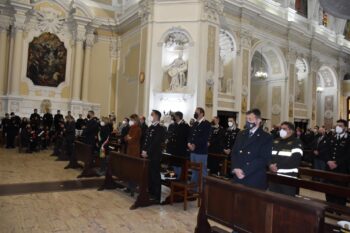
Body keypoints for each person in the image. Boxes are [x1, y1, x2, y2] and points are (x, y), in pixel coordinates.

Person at [231, 108, 272, 190]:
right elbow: (234, 153)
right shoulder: (241, 134)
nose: (247, 121)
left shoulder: (266, 137)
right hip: (238, 175)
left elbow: (263, 159)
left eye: (250, 119)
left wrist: (244, 171)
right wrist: (235, 168)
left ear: (258, 120)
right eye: (246, 119)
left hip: (253, 178)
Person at [269, 122, 303, 196]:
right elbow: (268, 155)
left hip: (288, 177)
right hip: (274, 176)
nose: (281, 131)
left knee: (286, 201)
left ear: (291, 131)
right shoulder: (276, 141)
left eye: (284, 129)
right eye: (281, 129)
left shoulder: (296, 142)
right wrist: (270, 165)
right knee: (272, 198)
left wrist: (276, 166)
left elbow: (295, 159)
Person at [141, 110, 166, 202]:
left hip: (155, 155)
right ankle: (151, 192)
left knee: (155, 175)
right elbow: (146, 140)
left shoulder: (160, 128)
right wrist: (143, 150)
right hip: (148, 154)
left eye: (152, 115)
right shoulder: (151, 127)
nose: (150, 116)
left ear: (156, 117)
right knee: (149, 174)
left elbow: (155, 143)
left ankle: (156, 196)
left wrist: (147, 151)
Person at [325, 119, 350, 206]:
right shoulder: (331, 138)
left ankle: (340, 207)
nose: (338, 128)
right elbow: (326, 151)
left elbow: (348, 155)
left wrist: (336, 163)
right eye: (337, 126)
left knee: (341, 189)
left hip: (342, 168)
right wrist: (328, 161)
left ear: (346, 128)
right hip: (329, 168)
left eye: (341, 126)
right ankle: (330, 205)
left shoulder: (348, 139)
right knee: (329, 187)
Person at [187, 107, 211, 185]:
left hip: (201, 151)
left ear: (201, 113)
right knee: (194, 170)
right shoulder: (195, 123)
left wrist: (195, 144)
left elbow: (204, 138)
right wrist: (189, 143)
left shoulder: (206, 123)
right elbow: (190, 135)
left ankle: (203, 190)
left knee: (202, 171)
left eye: (196, 112)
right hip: (193, 151)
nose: (195, 113)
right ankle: (194, 189)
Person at [167, 111, 190, 177]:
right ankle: (173, 179)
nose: (173, 117)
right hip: (172, 149)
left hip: (180, 150)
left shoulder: (185, 126)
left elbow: (187, 138)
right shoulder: (172, 125)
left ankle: (178, 179)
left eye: (174, 116)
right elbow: (169, 136)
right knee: (172, 165)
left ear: (178, 117)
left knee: (179, 165)